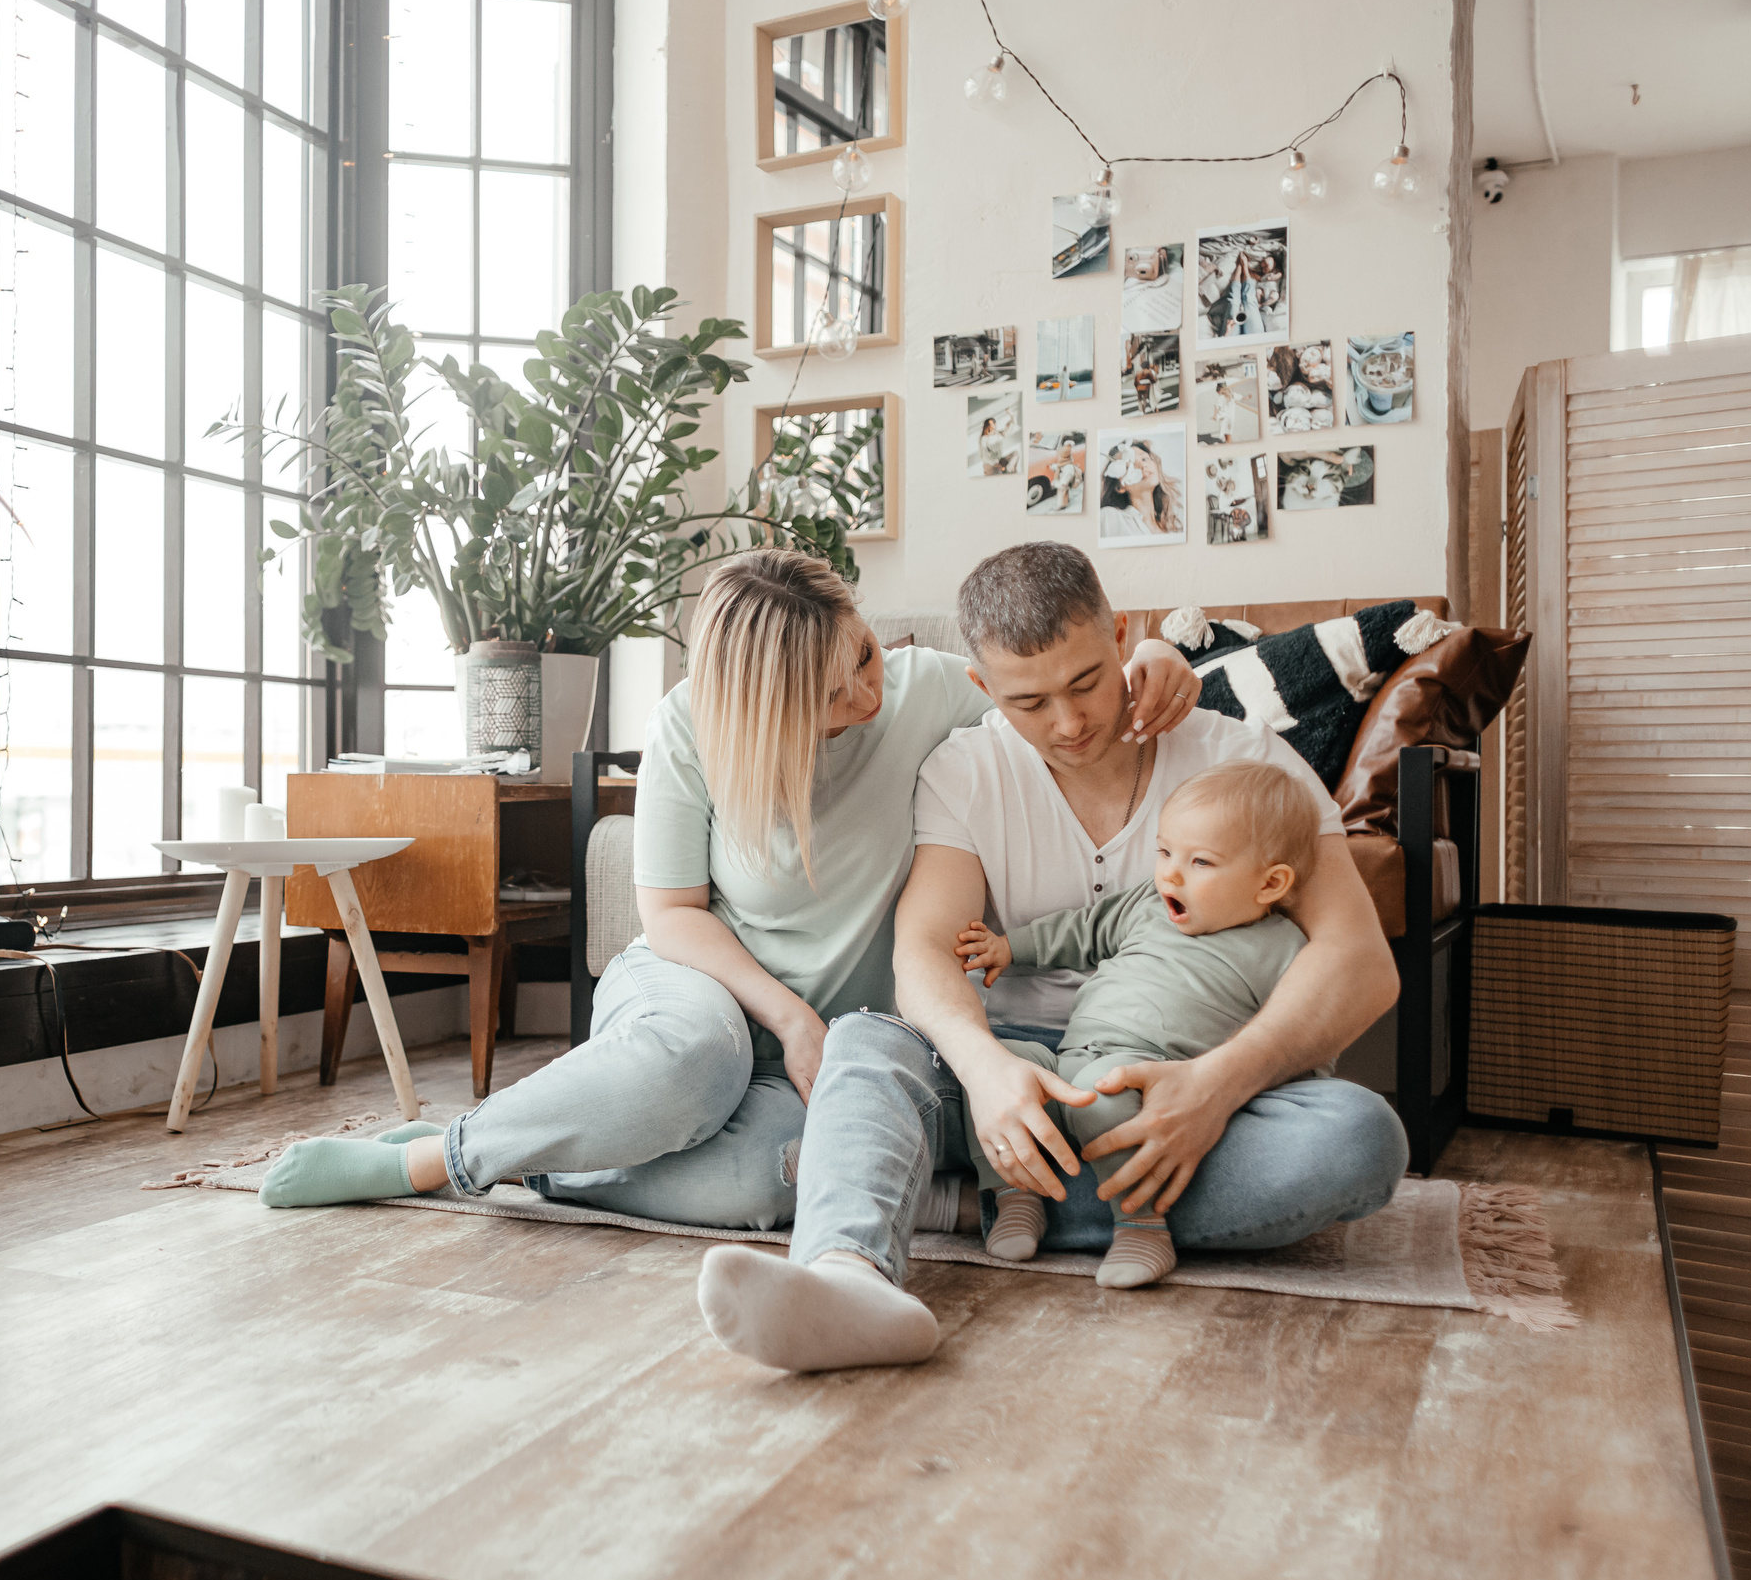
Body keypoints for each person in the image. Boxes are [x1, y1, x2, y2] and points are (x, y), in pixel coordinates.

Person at [258, 549, 1208, 1286]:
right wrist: (792, 1018)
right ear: (765, 704)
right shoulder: (692, 725)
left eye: (865, 653)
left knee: (769, 1181)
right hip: (701, 984)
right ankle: (437, 1157)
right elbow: (669, 914)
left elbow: (1043, 682)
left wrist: (1157, 657)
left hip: (836, 1052)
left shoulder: (922, 690)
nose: (867, 693)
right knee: (693, 1063)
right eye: (833, 693)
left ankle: (547, 1149)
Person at [695, 543, 1405, 1373]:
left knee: (1359, 1141)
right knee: (865, 1039)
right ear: (983, 689)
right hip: (1011, 1082)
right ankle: (849, 1279)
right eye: (1029, 701)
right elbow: (924, 949)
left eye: (1087, 682)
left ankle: (954, 1202)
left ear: (1124, 639)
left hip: (1175, 1081)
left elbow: (1360, 963)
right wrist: (987, 1071)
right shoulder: (963, 769)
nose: (1069, 724)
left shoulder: (1244, 762)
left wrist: (1217, 1088)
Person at [954, 760, 1321, 1289]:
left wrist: (1274, 1089)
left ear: (1270, 883)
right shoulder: (1150, 904)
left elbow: (1300, 1040)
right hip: (1067, 1059)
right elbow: (1084, 929)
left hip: (1147, 1078)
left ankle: (1142, 1227)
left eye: (1200, 862)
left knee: (1103, 1094)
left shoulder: (1283, 949)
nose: (1170, 873)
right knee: (993, 1070)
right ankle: (1013, 1197)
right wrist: (1010, 947)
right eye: (1165, 852)